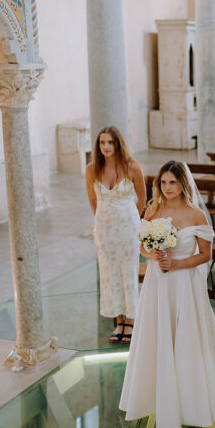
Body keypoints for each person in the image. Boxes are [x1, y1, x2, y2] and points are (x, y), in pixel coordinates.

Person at [119, 161, 215, 428]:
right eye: (164, 182)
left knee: (185, 337)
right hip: (158, 284)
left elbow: (204, 254)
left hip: (185, 284)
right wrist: (151, 254)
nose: (168, 188)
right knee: (158, 334)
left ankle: (189, 403)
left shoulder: (196, 215)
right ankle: (156, 398)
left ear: (183, 184)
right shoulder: (153, 209)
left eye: (173, 182)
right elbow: (143, 245)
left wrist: (176, 265)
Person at [85, 126, 146, 343]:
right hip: (104, 230)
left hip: (128, 227)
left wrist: (129, 220)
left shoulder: (132, 167)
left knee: (128, 271)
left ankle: (131, 320)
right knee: (109, 274)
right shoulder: (92, 169)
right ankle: (119, 321)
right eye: (102, 143)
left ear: (118, 144)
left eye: (110, 142)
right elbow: (93, 200)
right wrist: (103, 220)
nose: (106, 147)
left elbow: (142, 198)